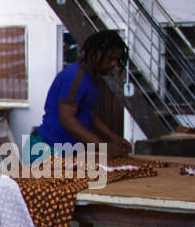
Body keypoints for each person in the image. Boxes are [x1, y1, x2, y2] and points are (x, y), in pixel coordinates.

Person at [35, 30, 132, 160]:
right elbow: (67, 120)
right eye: (110, 58)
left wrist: (112, 136)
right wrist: (104, 147)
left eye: (116, 60)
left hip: (67, 150)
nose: (114, 64)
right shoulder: (75, 77)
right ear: (95, 53)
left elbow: (88, 112)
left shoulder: (91, 78)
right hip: (49, 150)